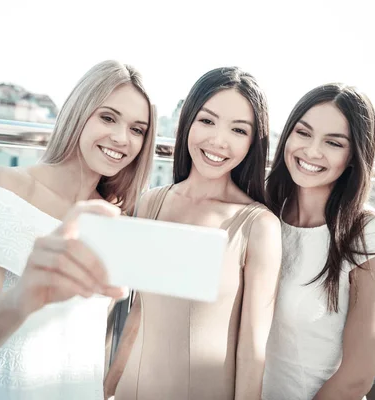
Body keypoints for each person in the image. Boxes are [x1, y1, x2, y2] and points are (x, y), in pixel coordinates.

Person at [0, 60, 156, 400]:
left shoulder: (117, 217)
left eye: (137, 129)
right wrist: (23, 296)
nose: (121, 138)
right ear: (79, 112)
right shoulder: (6, 188)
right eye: (107, 117)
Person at [105, 67, 282, 400]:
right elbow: (138, 313)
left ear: (253, 142)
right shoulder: (151, 202)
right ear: (187, 121)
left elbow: (252, 351)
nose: (218, 141)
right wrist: (106, 389)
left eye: (238, 130)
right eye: (207, 121)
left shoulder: (258, 226)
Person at [262, 83, 375, 400]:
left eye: (333, 143)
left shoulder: (370, 236)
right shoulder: (264, 214)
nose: (312, 151)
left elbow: (357, 378)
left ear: (354, 156)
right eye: (303, 133)